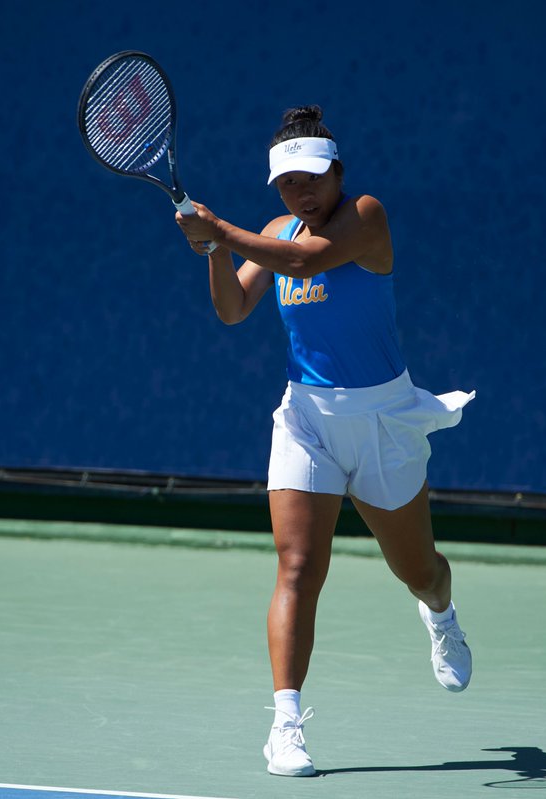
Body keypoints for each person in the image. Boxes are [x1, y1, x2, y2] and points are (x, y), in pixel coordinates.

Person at [176, 105, 476, 778]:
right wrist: (216, 250)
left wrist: (222, 229)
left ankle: (441, 613)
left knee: (418, 569)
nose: (300, 194)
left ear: (338, 172)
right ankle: (285, 724)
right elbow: (232, 309)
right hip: (306, 418)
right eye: (286, 184)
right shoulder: (275, 230)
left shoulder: (365, 216)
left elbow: (304, 257)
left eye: (311, 178)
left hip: (383, 419)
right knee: (297, 565)